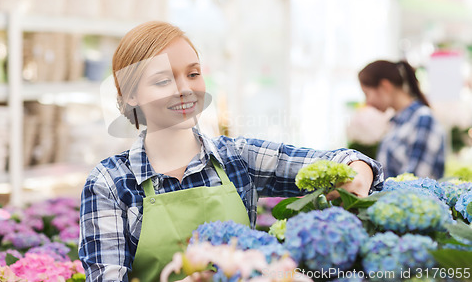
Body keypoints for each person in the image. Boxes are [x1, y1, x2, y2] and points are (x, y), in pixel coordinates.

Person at [79, 21, 384, 282]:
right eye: (162, 80)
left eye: (193, 74)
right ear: (131, 94)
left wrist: (352, 184)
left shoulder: (238, 158)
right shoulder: (111, 182)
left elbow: (350, 162)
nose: (185, 89)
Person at [358, 59, 446, 179]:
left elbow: (414, 180)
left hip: (410, 198)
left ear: (385, 86)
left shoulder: (423, 119)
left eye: (367, 94)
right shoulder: (397, 122)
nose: (368, 102)